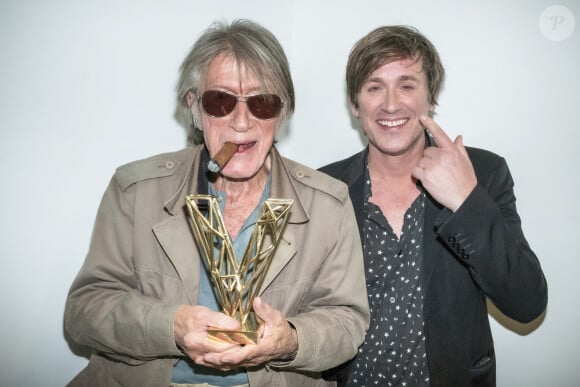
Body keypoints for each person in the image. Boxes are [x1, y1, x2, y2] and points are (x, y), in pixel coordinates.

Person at [64, 19, 369, 387]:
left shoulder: (328, 203)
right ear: (195, 106)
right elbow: (84, 312)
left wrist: (289, 339)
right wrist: (172, 327)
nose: (241, 122)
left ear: (281, 111)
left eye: (262, 102)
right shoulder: (136, 191)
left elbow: (347, 323)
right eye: (220, 101)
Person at [320, 25, 547, 387]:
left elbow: (526, 302)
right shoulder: (325, 188)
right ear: (355, 104)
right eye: (375, 87)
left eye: (407, 86)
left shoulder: (483, 173)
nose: (391, 104)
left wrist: (465, 201)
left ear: (432, 98)